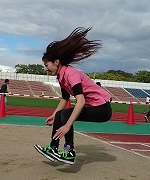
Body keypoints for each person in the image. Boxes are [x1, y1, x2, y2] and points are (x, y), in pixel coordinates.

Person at [33, 27, 112, 165]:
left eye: (46, 65)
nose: (46, 68)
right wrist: (54, 114)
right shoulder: (61, 76)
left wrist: (68, 125)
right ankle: (53, 148)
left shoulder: (71, 74)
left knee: (66, 115)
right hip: (94, 107)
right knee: (60, 115)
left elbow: (80, 101)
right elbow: (65, 99)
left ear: (56, 62)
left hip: (102, 109)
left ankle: (69, 151)